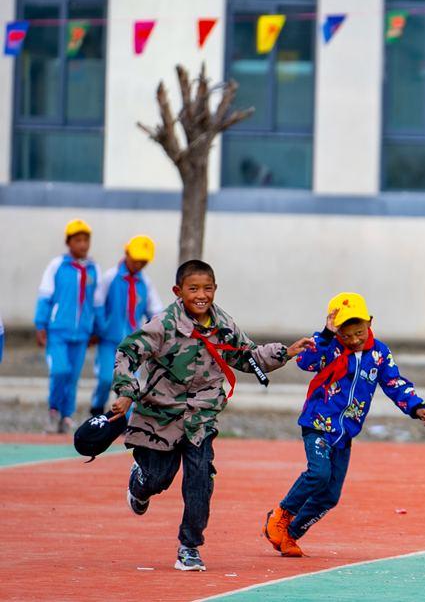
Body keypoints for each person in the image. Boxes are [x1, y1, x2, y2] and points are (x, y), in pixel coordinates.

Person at [110, 259, 314, 572]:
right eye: (193, 289)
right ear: (178, 291)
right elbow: (127, 353)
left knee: (200, 481)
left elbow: (247, 356)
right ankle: (141, 482)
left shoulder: (224, 326)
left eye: (207, 288)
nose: (201, 295)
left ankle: (189, 547)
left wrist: (284, 352)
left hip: (201, 418)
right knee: (158, 478)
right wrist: (126, 392)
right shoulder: (163, 325)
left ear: (215, 289)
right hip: (160, 415)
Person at [262, 292, 425, 557]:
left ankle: (290, 534)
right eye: (346, 334)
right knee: (318, 474)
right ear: (336, 329)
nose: (353, 340)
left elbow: (393, 382)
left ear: (370, 322)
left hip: (344, 433)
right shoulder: (328, 346)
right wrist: (326, 336)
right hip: (318, 424)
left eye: (359, 333)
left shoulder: (379, 353)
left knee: (330, 496)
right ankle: (282, 513)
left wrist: (415, 406)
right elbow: (306, 362)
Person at [34, 219, 101, 433]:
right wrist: (40, 324)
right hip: (58, 331)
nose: (83, 245)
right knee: (60, 370)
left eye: (86, 240)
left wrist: (96, 329)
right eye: (78, 240)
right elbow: (45, 296)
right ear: (68, 242)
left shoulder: (93, 269)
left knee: (73, 376)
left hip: (81, 334)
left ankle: (67, 416)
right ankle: (53, 410)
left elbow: (97, 302)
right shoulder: (57, 266)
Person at [91, 235, 163, 416]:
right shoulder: (111, 277)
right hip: (108, 340)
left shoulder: (145, 283)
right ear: (127, 253)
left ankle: (125, 419)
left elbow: (155, 310)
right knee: (105, 379)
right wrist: (100, 328)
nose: (139, 265)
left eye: (143, 262)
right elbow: (97, 303)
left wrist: (156, 331)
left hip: (132, 343)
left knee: (130, 383)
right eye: (136, 259)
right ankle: (97, 408)